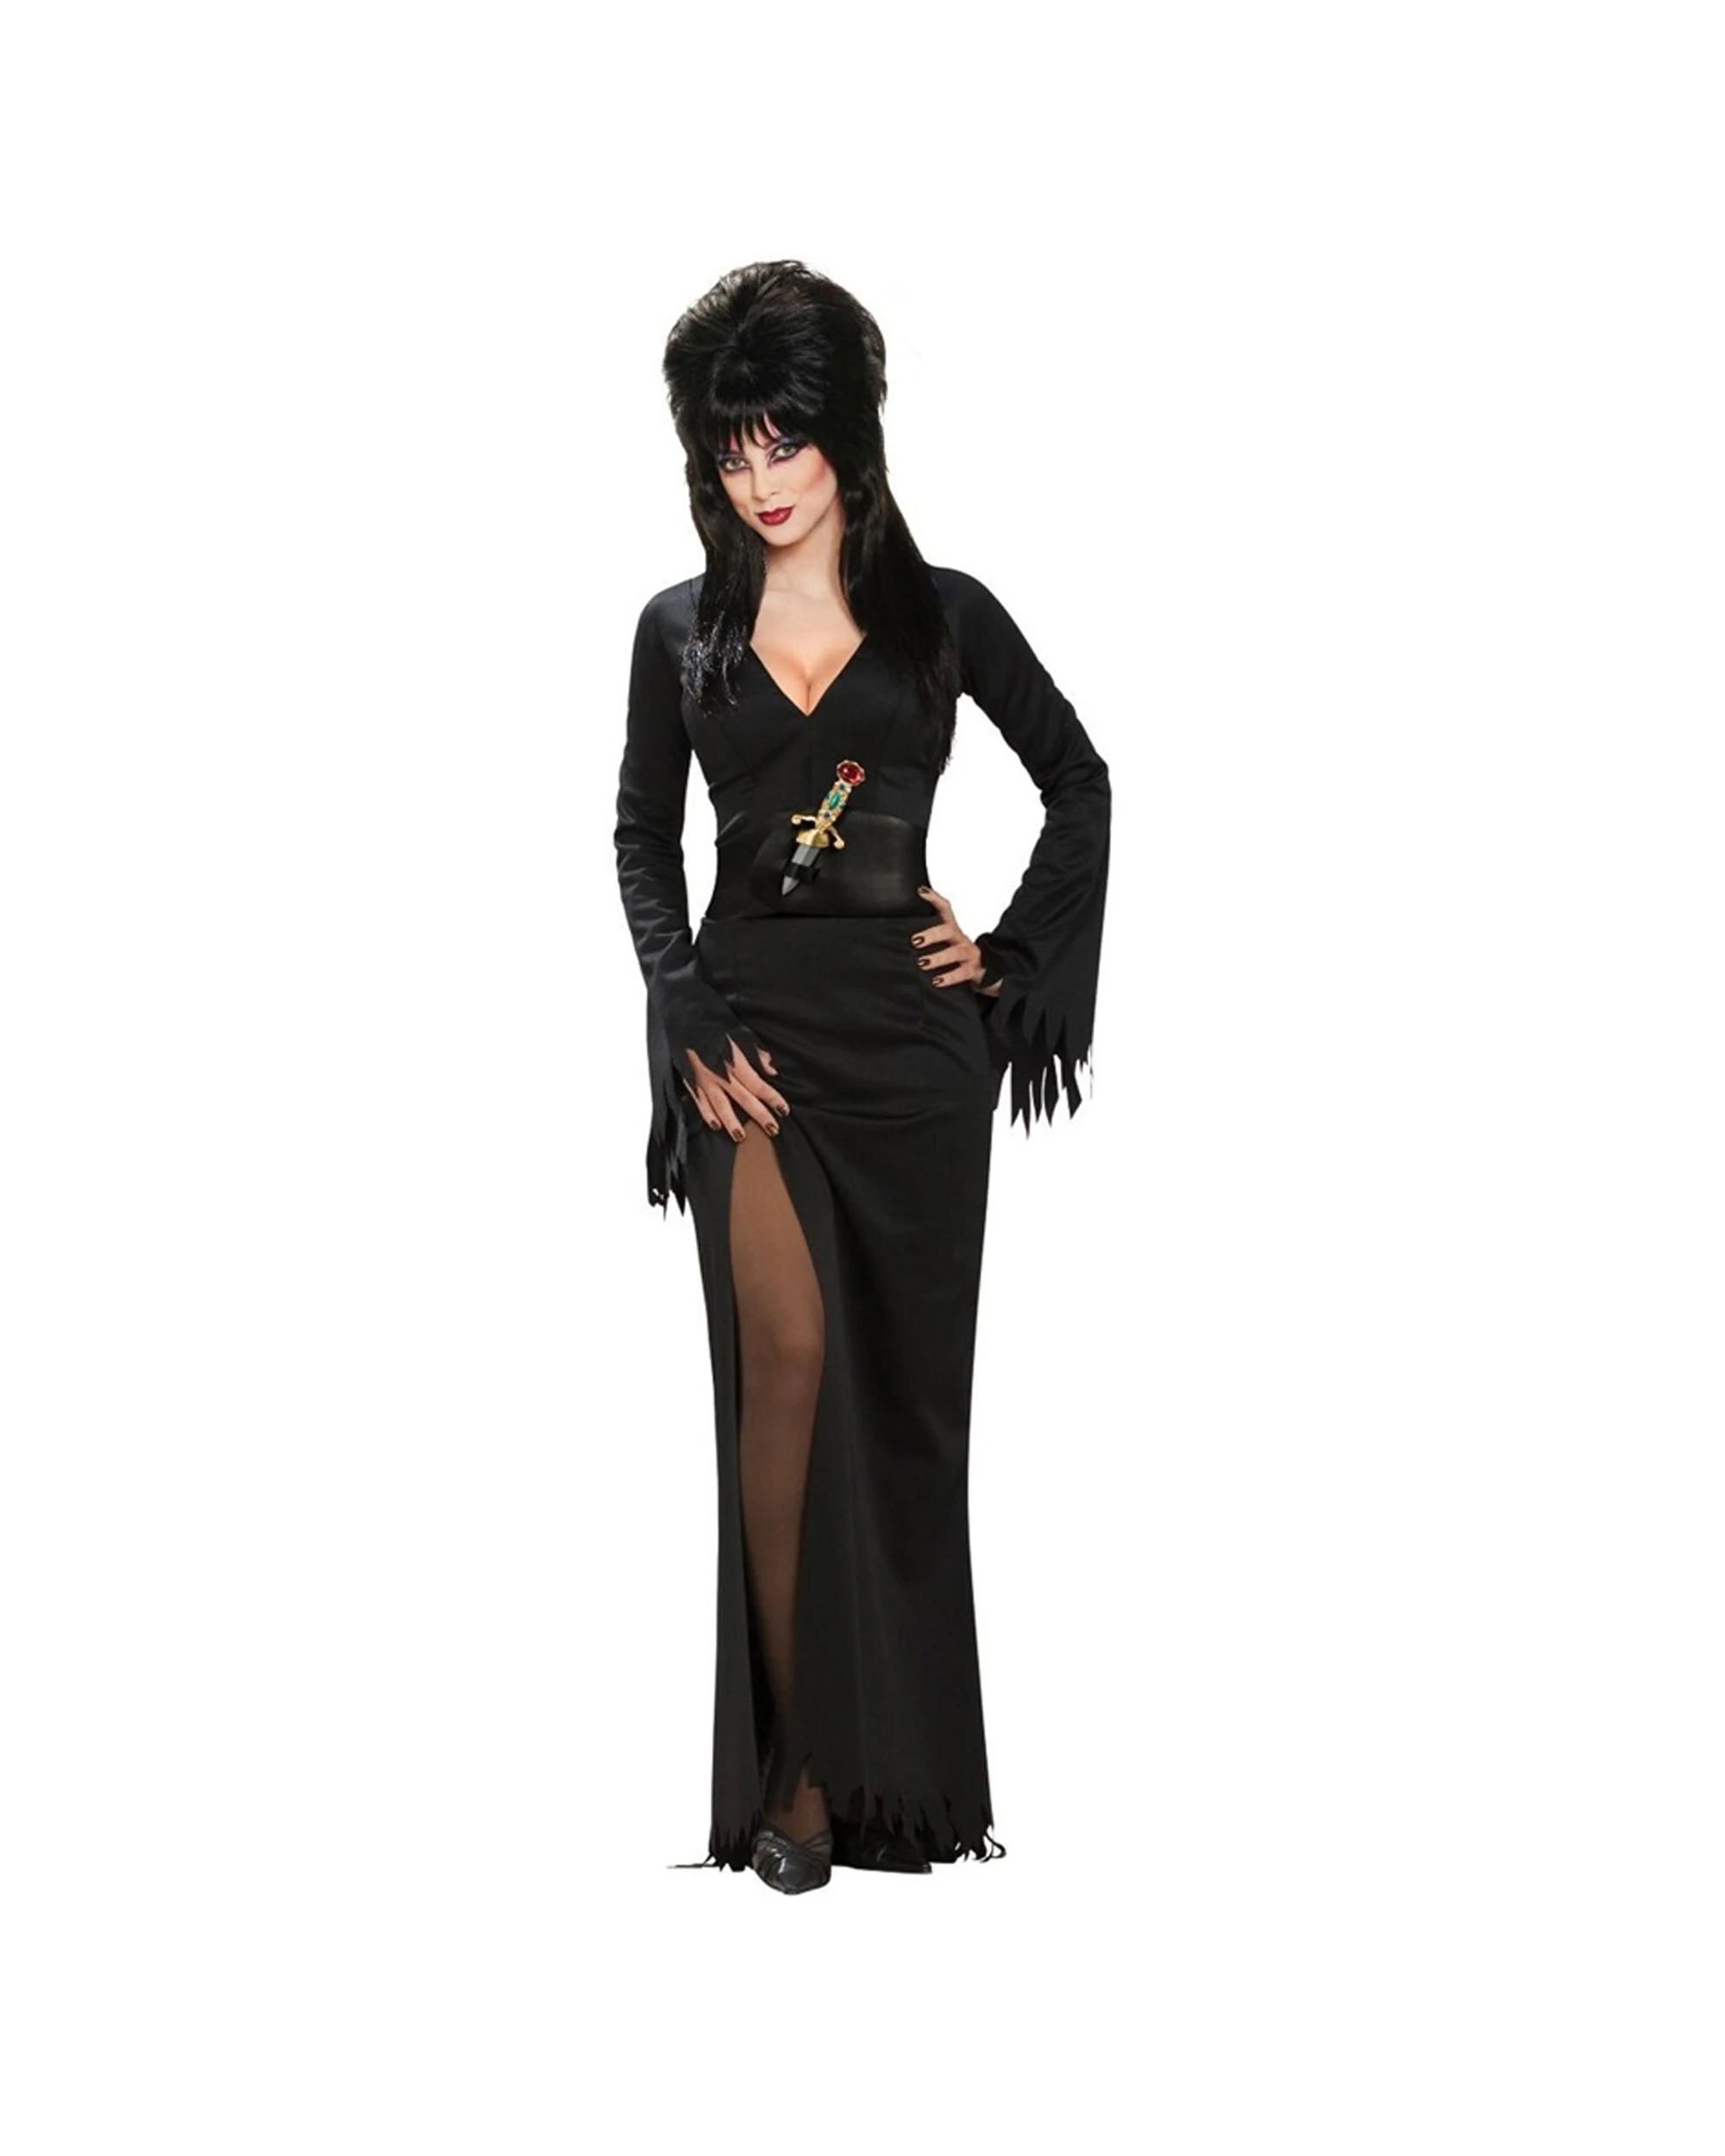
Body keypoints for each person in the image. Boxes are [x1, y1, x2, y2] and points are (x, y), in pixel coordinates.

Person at [613, 260, 1111, 1894]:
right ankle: (799, 1777)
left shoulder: (944, 616)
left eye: (785, 441)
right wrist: (680, 1008)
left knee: (896, 1410)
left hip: (913, 1060)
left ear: (847, 437)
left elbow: (1082, 782)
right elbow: (639, 837)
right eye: (729, 448)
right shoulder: (680, 631)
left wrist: (1015, 965)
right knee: (783, 1354)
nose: (758, 479)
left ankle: (889, 1775)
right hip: (749, 1047)